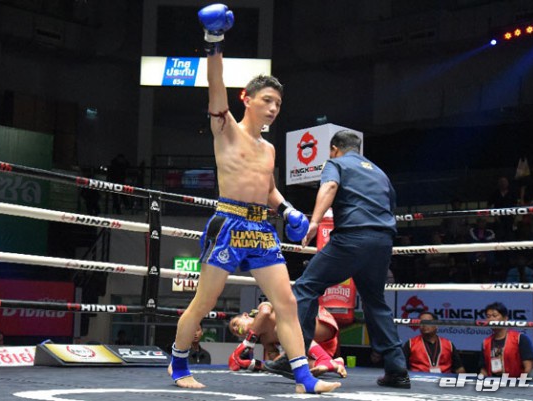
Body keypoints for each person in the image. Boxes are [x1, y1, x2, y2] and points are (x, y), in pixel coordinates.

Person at [168, 4, 340, 394]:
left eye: (278, 104)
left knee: (287, 303)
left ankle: (304, 378)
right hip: (228, 223)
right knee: (203, 303)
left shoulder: (269, 149)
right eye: (267, 101)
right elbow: (215, 84)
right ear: (247, 99)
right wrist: (214, 42)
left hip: (260, 228)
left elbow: (268, 188)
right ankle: (178, 363)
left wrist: (288, 210)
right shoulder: (225, 127)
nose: (274, 109)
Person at [288, 130, 411, 388]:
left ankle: (295, 358)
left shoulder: (336, 164)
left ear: (334, 149)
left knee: (305, 287)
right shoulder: (380, 173)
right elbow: (391, 205)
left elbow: (330, 186)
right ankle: (397, 369)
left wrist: (314, 222)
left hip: (352, 238)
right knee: (375, 301)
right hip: (382, 241)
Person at [228, 302, 346, 377]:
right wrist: (255, 364)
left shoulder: (262, 308)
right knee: (291, 362)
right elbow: (277, 363)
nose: (235, 329)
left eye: (234, 324)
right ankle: (335, 363)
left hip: (320, 323)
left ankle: (324, 359)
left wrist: (249, 340)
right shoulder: (265, 340)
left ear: (245, 315)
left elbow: (265, 312)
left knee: (281, 329)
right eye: (234, 332)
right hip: (320, 348)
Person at [479, 302, 533, 377]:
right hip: (493, 382)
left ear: (505, 318)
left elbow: (529, 367)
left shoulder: (519, 339)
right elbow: (484, 369)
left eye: (494, 316)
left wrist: (521, 382)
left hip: (515, 381)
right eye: (488, 316)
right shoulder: (486, 342)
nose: (491, 319)